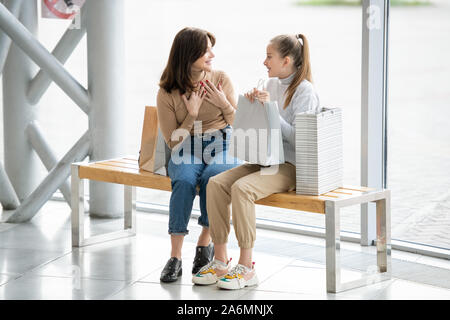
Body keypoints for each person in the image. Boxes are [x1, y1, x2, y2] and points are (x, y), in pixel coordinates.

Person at [192, 34, 320, 289]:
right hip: (265, 159)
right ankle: (219, 260)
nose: (264, 62)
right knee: (216, 184)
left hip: (291, 166)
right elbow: (259, 126)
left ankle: (247, 267)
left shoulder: (305, 92)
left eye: (269, 57)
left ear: (286, 60)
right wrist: (253, 105)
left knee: (242, 188)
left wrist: (270, 109)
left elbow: (301, 141)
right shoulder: (271, 84)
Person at [157, 27, 241, 282]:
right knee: (182, 181)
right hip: (186, 147)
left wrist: (222, 104)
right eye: (205, 51)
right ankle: (175, 257)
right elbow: (173, 142)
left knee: (213, 180)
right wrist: (191, 114)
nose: (211, 55)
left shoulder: (220, 79)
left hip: (223, 143)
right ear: (188, 54)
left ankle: (204, 244)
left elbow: (239, 124)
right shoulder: (167, 92)